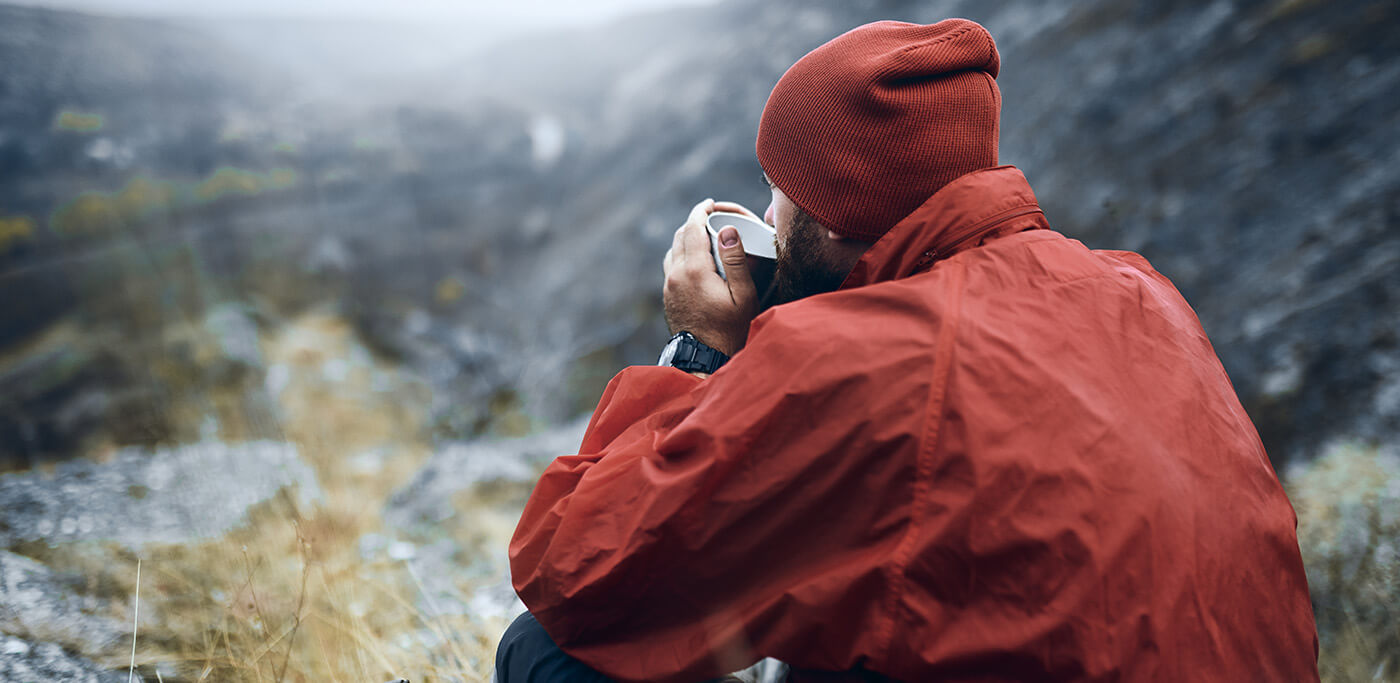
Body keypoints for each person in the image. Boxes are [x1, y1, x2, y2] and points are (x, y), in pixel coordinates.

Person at [495, 18, 1320, 683]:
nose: (771, 212)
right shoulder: (1138, 292)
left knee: (549, 655)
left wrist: (703, 348)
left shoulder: (860, 355)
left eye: (782, 189)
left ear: (832, 212)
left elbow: (578, 575)